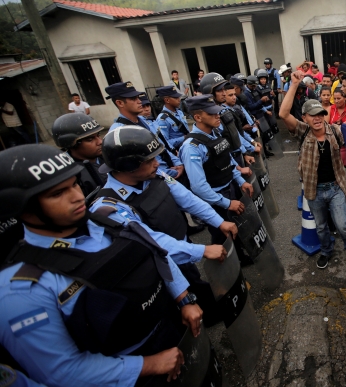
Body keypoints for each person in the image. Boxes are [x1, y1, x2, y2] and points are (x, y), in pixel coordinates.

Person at [0, 144, 204, 386]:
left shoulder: (108, 219)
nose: (77, 196)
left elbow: (156, 253)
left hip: (172, 329)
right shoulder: (20, 289)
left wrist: (184, 298)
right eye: (57, 194)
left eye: (74, 184)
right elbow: (62, 371)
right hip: (129, 370)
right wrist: (147, 365)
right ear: (22, 208)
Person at [90, 125, 237, 327]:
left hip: (183, 255)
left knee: (201, 295)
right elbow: (151, 242)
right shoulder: (109, 207)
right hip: (158, 276)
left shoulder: (155, 175)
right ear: (128, 165)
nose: (157, 163)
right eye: (149, 160)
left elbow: (187, 199)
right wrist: (201, 250)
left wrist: (219, 221)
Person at [279, 70, 346, 269]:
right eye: (312, 115)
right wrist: (294, 84)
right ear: (305, 117)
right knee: (321, 227)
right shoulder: (302, 131)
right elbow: (283, 114)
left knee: (343, 225)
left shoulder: (335, 130)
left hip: (336, 189)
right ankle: (326, 251)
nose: (317, 119)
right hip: (314, 191)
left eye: (321, 114)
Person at [178, 95, 255, 261]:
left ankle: (239, 257)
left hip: (230, 189)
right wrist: (227, 203)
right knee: (222, 239)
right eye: (211, 113)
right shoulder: (192, 148)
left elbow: (228, 161)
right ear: (197, 117)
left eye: (217, 112)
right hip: (216, 201)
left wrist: (241, 182)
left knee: (236, 229)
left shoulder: (215, 132)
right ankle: (229, 278)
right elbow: (199, 187)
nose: (217, 115)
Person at [106, 81, 184, 179]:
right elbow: (138, 166)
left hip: (170, 169)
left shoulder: (144, 121)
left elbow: (161, 145)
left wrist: (178, 163)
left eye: (138, 97)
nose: (139, 101)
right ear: (120, 103)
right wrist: (169, 173)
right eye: (133, 99)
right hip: (156, 176)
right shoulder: (119, 132)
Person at [51, 113, 106, 198]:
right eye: (90, 139)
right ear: (72, 144)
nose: (100, 142)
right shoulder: (71, 176)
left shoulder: (109, 156)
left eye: (98, 135)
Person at [156, 85, 190, 150]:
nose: (179, 99)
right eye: (176, 98)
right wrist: (184, 138)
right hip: (178, 150)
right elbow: (165, 142)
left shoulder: (179, 112)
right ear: (167, 100)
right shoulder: (162, 119)